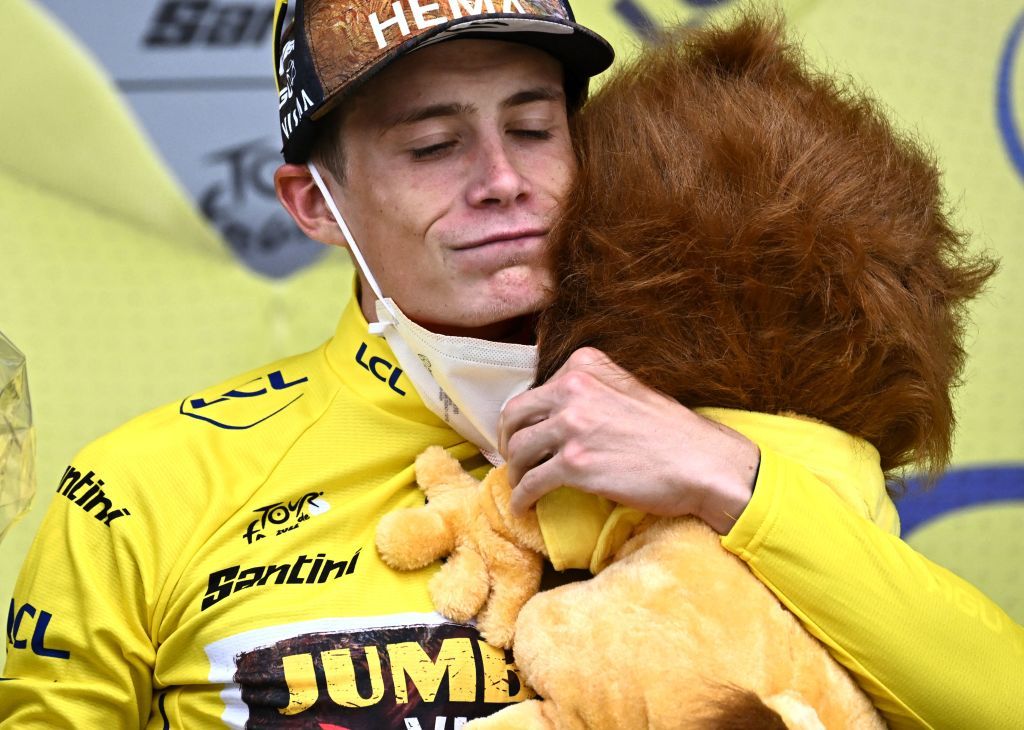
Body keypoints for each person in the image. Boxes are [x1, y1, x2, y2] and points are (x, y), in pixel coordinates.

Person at [1, 1, 1020, 728]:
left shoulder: (736, 421)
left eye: (534, 130)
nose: (502, 183)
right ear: (315, 203)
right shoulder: (145, 485)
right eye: (432, 145)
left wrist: (729, 480)